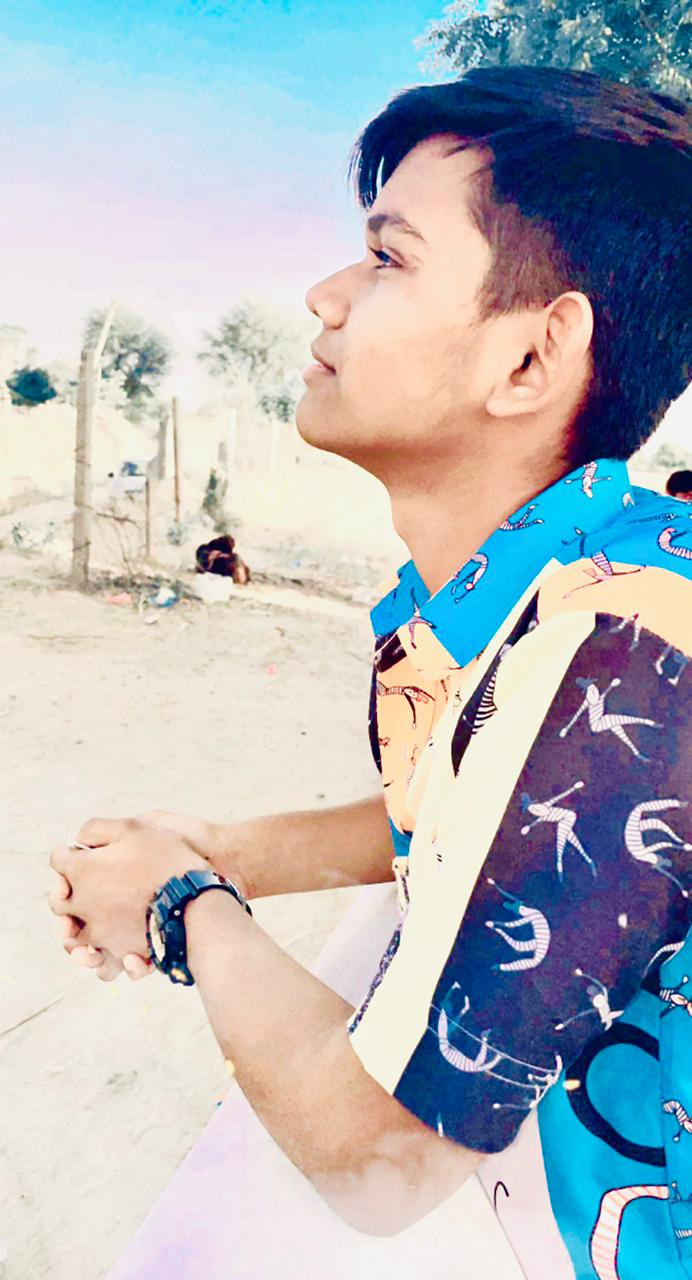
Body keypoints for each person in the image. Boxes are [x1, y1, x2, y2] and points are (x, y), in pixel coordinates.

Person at [49, 66, 692, 1271]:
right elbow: (476, 799)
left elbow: (379, 1156)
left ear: (530, 357)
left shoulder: (627, 642)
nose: (324, 294)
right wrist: (222, 848)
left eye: (387, 257)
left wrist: (185, 907)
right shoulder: (554, 585)